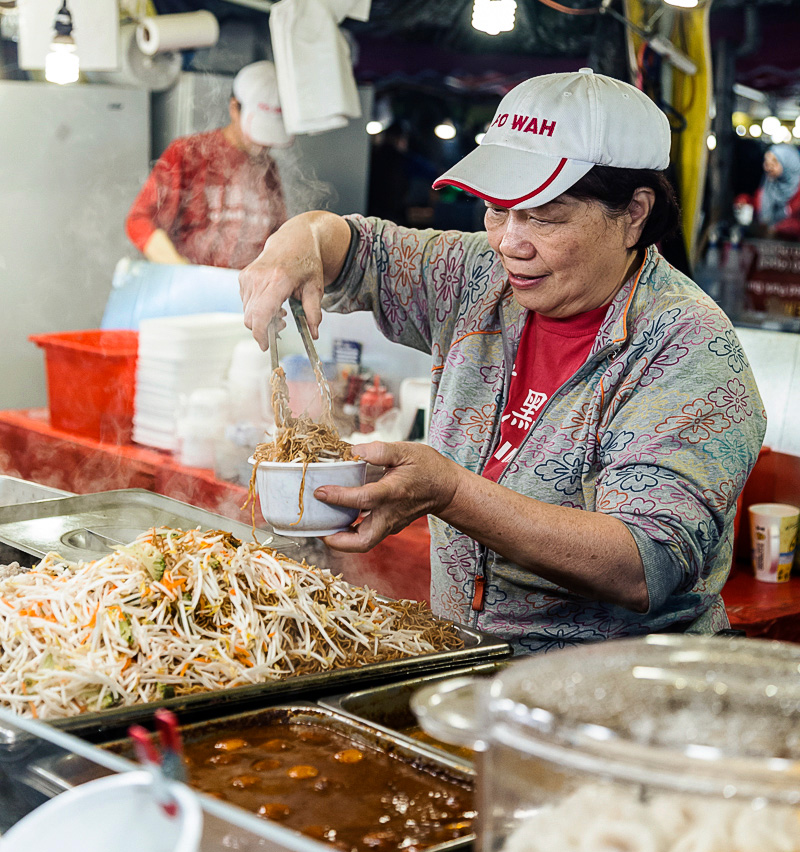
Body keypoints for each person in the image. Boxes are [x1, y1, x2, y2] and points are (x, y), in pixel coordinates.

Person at [239, 69, 766, 653]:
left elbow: (641, 564)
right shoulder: (479, 280)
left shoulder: (686, 345)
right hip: (473, 671)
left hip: (621, 704)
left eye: (544, 217)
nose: (509, 241)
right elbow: (354, 249)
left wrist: (451, 494)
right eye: (497, 210)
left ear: (634, 214)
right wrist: (296, 241)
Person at [126, 61, 290, 271]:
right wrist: (181, 270)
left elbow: (278, 236)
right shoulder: (188, 153)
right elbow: (139, 222)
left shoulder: (268, 169)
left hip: (244, 295)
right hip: (190, 292)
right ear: (234, 108)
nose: (265, 143)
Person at [757, 145, 800, 230]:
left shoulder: (798, 192)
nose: (768, 167)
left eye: (775, 161)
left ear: (788, 163)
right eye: (766, 161)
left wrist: (778, 229)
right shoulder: (768, 185)